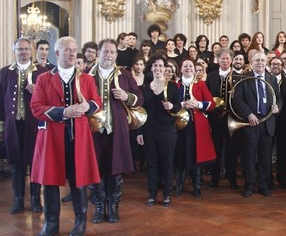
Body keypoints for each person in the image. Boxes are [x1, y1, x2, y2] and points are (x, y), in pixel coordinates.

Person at [30, 37, 102, 236]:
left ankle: (80, 223)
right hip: (52, 139)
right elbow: (36, 108)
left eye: (74, 50)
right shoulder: (44, 79)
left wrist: (88, 106)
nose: (71, 53)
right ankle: (51, 224)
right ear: (57, 53)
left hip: (78, 138)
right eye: (67, 50)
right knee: (50, 181)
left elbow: (97, 101)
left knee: (79, 180)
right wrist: (63, 112)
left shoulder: (86, 78)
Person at [86, 39, 143, 224]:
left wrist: (127, 96)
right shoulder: (87, 75)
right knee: (95, 169)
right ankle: (99, 207)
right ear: (98, 53)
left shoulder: (125, 76)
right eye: (105, 52)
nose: (108, 55)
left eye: (111, 52)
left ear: (116, 55)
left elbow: (140, 98)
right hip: (93, 131)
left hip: (117, 130)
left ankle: (113, 207)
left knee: (115, 169)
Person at [0, 38, 50, 214]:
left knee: (35, 162)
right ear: (14, 51)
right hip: (13, 124)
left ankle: (35, 199)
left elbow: (51, 99)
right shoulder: (5, 72)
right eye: (20, 49)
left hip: (34, 125)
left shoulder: (42, 72)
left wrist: (39, 89)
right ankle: (18, 199)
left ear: (32, 51)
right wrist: (0, 127)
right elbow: (0, 99)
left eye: (26, 49)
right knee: (15, 163)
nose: (23, 52)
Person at [230, 51, 282, 197]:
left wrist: (278, 107)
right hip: (251, 123)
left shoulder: (272, 79)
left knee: (265, 158)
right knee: (249, 157)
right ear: (251, 62)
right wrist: (248, 114)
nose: (260, 63)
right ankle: (249, 185)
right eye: (257, 60)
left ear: (266, 62)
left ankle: (263, 185)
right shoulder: (243, 79)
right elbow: (238, 100)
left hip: (267, 124)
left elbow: (279, 98)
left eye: (262, 60)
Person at [136, 55, 180, 207]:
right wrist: (140, 132)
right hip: (149, 131)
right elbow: (141, 112)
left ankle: (167, 194)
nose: (157, 68)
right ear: (151, 68)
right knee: (152, 164)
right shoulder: (145, 88)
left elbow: (179, 107)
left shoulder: (172, 86)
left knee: (167, 163)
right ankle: (152, 193)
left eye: (160, 66)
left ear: (164, 68)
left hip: (167, 130)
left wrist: (172, 107)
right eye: (155, 66)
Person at [173, 59, 217, 198]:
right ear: (181, 69)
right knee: (180, 154)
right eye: (185, 66)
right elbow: (171, 103)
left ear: (195, 69)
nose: (188, 68)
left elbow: (211, 104)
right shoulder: (175, 85)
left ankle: (197, 186)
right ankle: (179, 185)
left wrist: (197, 104)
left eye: (190, 66)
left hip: (197, 126)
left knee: (196, 154)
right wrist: (182, 104)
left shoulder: (201, 85)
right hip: (179, 126)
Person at [205, 49, 241, 190]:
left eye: (227, 59)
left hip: (233, 119)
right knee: (216, 150)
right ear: (217, 60)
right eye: (222, 59)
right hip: (216, 120)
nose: (225, 61)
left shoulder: (239, 76)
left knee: (232, 151)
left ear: (231, 60)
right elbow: (207, 98)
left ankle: (232, 179)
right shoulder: (211, 76)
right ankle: (214, 179)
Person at [269, 55, 286, 189]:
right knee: (267, 151)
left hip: (284, 122)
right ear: (270, 66)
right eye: (273, 64)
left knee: (283, 151)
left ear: (282, 66)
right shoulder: (265, 80)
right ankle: (269, 178)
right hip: (268, 121)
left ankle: (282, 178)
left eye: (278, 64)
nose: (276, 66)